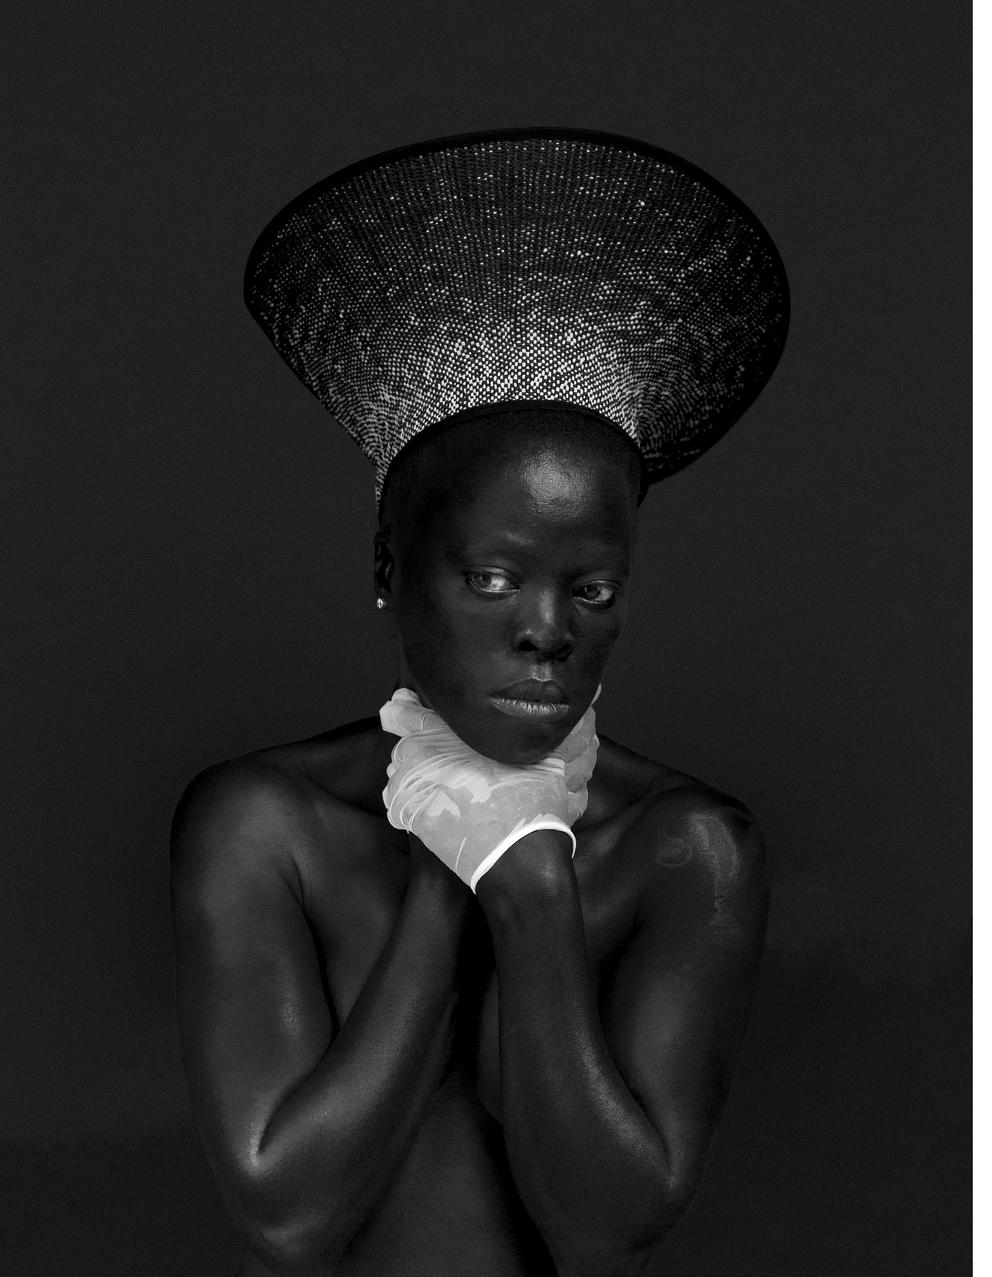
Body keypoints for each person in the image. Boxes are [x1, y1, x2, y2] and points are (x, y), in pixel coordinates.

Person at [171, 129, 789, 1276]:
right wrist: (444, 871)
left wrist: (529, 879)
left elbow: (601, 1230)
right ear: (388, 566)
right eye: (493, 577)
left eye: (591, 588)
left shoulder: (685, 846)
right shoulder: (264, 820)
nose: (546, 629)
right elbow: (289, 1214)